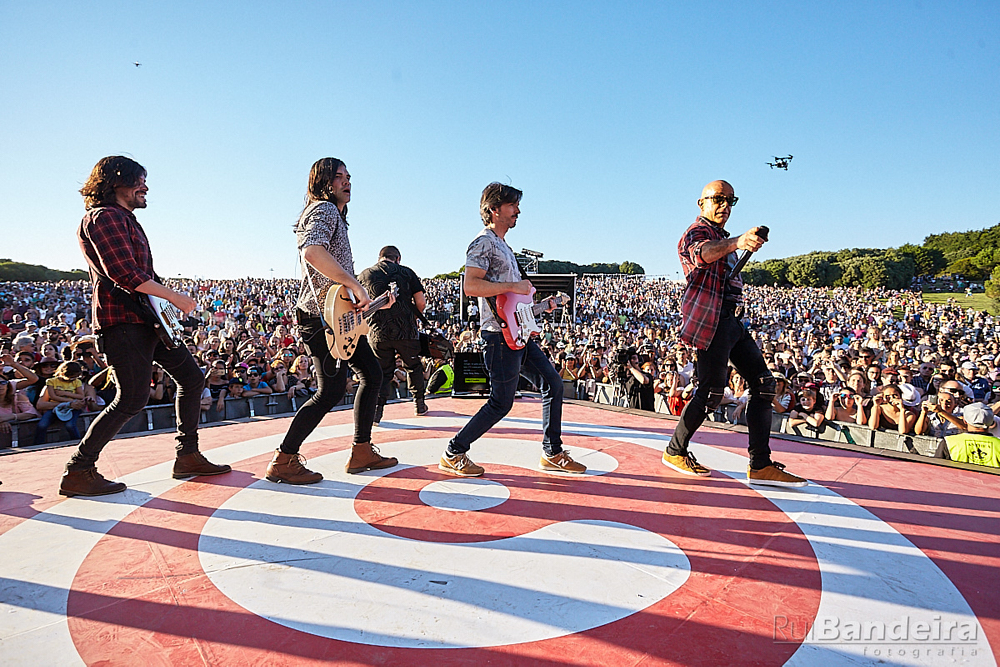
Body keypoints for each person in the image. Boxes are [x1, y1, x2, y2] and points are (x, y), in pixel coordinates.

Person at [60, 156, 230, 497]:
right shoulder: (104, 217)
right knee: (132, 399)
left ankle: (188, 455)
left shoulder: (125, 219)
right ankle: (78, 470)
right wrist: (175, 297)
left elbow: (144, 274)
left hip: (148, 321)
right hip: (123, 322)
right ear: (116, 182)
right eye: (139, 181)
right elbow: (124, 273)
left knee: (192, 379)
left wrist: (167, 303)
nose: (145, 187)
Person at [662, 180, 807, 487]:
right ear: (701, 203)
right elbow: (701, 253)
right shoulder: (697, 232)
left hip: (731, 320)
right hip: (713, 320)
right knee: (711, 392)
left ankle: (760, 464)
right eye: (718, 199)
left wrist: (737, 243)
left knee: (764, 385)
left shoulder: (722, 237)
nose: (725, 205)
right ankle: (675, 451)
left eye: (730, 200)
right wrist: (738, 242)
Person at [265, 157, 397, 485]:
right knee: (331, 391)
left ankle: (362, 450)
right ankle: (283, 458)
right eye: (339, 177)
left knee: (371, 375)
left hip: (335, 315)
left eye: (349, 176)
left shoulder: (335, 216)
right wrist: (354, 284)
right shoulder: (324, 210)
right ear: (323, 182)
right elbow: (311, 251)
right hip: (320, 317)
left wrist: (376, 302)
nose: (347, 181)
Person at [440, 182, 586, 477]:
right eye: (512, 205)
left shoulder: (504, 247)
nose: (518, 211)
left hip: (515, 334)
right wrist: (514, 285)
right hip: (498, 336)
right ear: (494, 209)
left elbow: (513, 303)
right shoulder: (484, 242)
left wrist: (542, 306)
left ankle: (552, 451)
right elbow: (471, 286)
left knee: (553, 384)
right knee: (500, 403)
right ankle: (454, 451)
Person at [358, 245, 428, 423]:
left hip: (377, 331)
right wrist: (412, 318)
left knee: (382, 371)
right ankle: (419, 404)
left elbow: (358, 305)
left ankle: (377, 411)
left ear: (379, 257)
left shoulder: (365, 274)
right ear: (398, 258)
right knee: (413, 366)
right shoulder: (407, 272)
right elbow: (421, 302)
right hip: (406, 330)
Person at [934, 403, 1000, 468]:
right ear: (991, 422)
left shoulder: (949, 442)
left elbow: (936, 470)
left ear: (965, 421)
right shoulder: (998, 444)